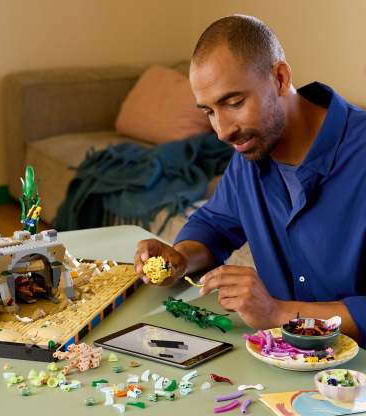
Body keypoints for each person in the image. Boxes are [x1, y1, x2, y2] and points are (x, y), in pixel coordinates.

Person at [134, 15, 366, 346]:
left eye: (234, 103)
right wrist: (181, 258)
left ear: (280, 78)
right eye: (209, 112)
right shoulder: (252, 151)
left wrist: (276, 313)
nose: (222, 131)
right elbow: (214, 225)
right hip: (279, 361)